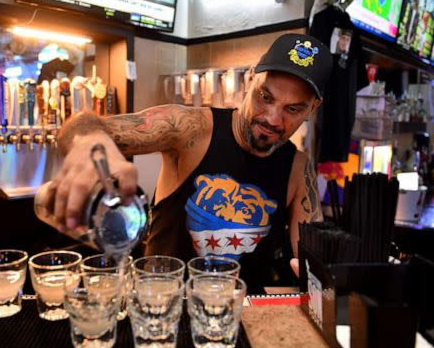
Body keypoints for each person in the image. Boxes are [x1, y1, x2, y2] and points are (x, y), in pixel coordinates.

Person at [38, 34, 332, 292]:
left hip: (241, 322)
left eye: (292, 109)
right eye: (264, 96)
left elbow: (309, 263)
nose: (272, 118)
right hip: (162, 307)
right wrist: (90, 143)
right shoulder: (191, 127)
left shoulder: (298, 167)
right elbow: (82, 126)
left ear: (313, 107)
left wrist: (323, 278)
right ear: (250, 77)